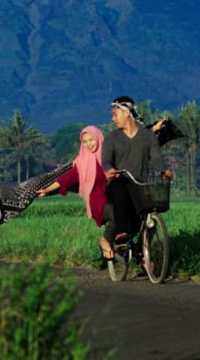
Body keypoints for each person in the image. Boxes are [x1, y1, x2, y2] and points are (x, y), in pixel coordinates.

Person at [101, 96, 172, 254]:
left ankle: (143, 252)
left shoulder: (148, 137)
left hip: (140, 184)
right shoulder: (111, 138)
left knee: (150, 213)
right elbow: (105, 161)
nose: (113, 119)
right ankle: (121, 234)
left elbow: (157, 159)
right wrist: (110, 170)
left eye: (115, 114)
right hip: (118, 183)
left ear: (126, 113)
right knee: (120, 191)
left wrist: (163, 171)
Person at [35, 125, 113, 258]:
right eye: (85, 141)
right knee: (117, 214)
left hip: (115, 197)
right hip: (98, 202)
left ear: (99, 138)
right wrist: (46, 190)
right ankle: (105, 240)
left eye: (91, 140)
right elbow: (64, 180)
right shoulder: (82, 163)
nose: (89, 144)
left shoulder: (110, 156)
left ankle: (142, 254)